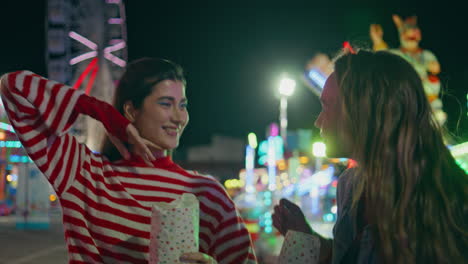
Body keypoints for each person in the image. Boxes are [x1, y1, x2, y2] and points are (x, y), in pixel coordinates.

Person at [0, 58, 257, 263]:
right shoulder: (85, 174)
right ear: (131, 111)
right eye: (166, 104)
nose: (179, 118)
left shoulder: (208, 194)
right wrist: (104, 114)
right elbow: (13, 87)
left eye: (183, 105)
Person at [272, 50, 467, 263]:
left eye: (327, 106)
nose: (319, 122)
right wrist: (307, 238)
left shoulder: (448, 204)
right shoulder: (350, 187)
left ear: (362, 114)